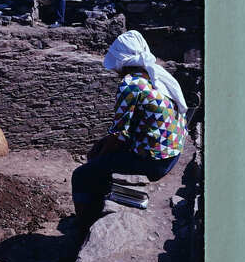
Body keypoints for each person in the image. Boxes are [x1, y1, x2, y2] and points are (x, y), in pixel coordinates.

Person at [72, 30, 188, 230]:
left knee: (82, 175)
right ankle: (97, 204)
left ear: (120, 61)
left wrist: (97, 157)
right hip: (173, 154)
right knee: (102, 157)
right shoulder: (154, 75)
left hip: (154, 162)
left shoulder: (130, 84)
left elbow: (118, 136)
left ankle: (82, 226)